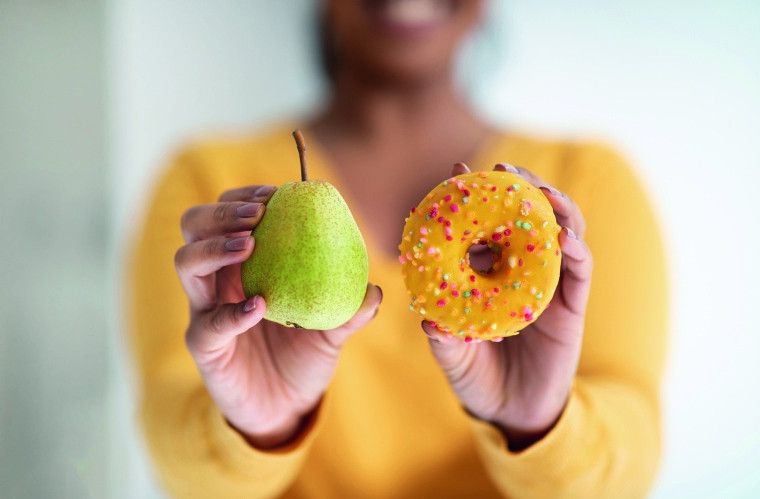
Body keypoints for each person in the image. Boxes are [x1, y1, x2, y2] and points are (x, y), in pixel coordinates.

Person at [128, 1, 668, 497]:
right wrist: (258, 426)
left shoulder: (591, 183)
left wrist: (537, 421)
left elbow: (629, 466)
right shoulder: (206, 184)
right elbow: (179, 465)